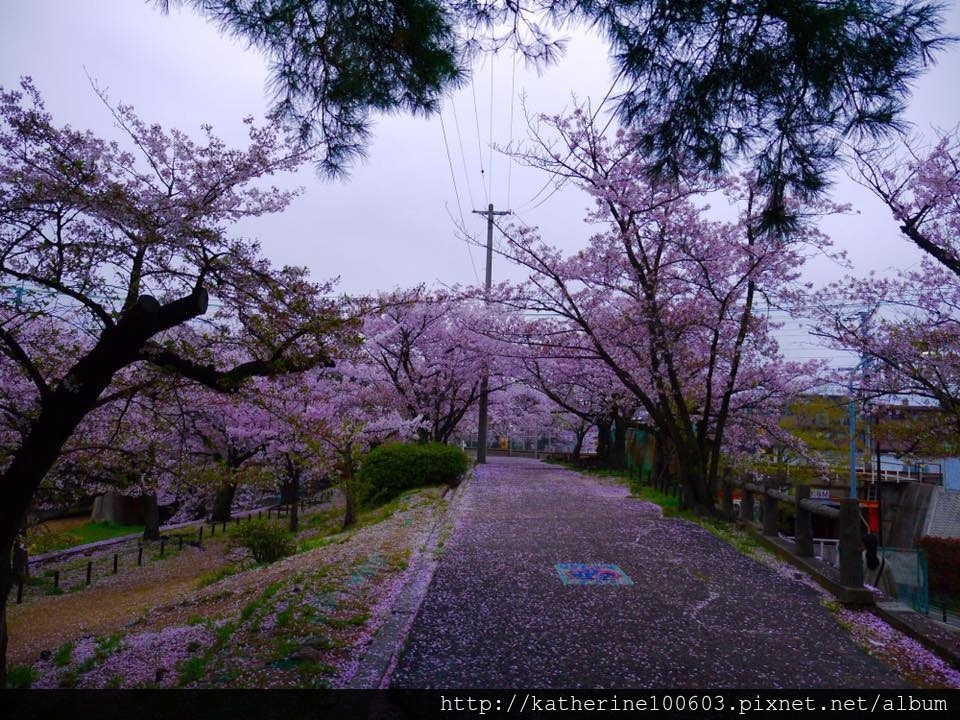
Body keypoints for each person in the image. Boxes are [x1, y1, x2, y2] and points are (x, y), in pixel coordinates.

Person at [862, 532, 898, 598]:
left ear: (863, 545)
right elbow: (892, 587)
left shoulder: (858, 560)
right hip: (881, 600)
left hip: (863, 599)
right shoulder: (885, 562)